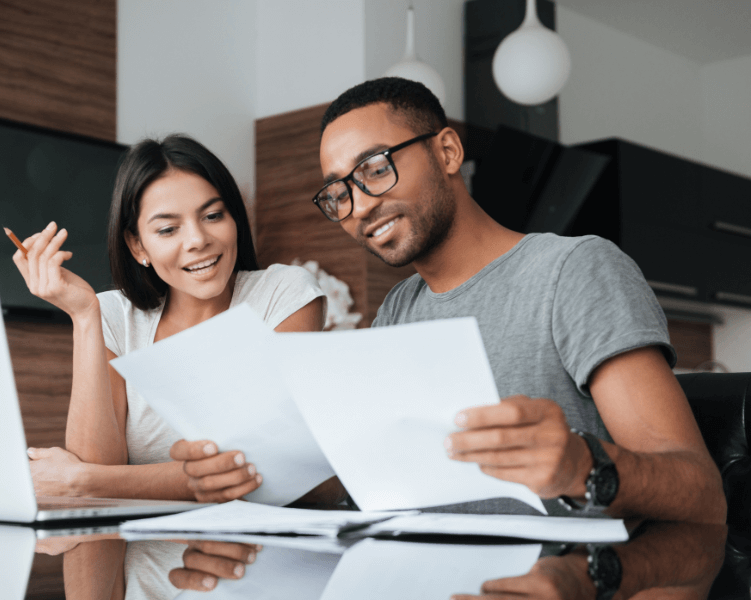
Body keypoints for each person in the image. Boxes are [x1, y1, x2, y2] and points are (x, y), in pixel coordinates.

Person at [303, 76, 725, 522]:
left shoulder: (574, 270)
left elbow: (699, 491)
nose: (360, 207)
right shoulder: (397, 309)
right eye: (339, 193)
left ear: (447, 151)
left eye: (375, 168)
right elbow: (378, 478)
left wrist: (582, 466)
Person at [11, 134, 329, 504]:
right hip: (135, 557)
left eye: (213, 216)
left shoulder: (283, 294)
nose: (197, 240)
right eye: (168, 229)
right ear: (137, 246)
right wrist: (83, 317)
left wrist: (83, 481)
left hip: (253, 554)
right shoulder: (114, 315)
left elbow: (260, 469)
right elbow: (97, 464)